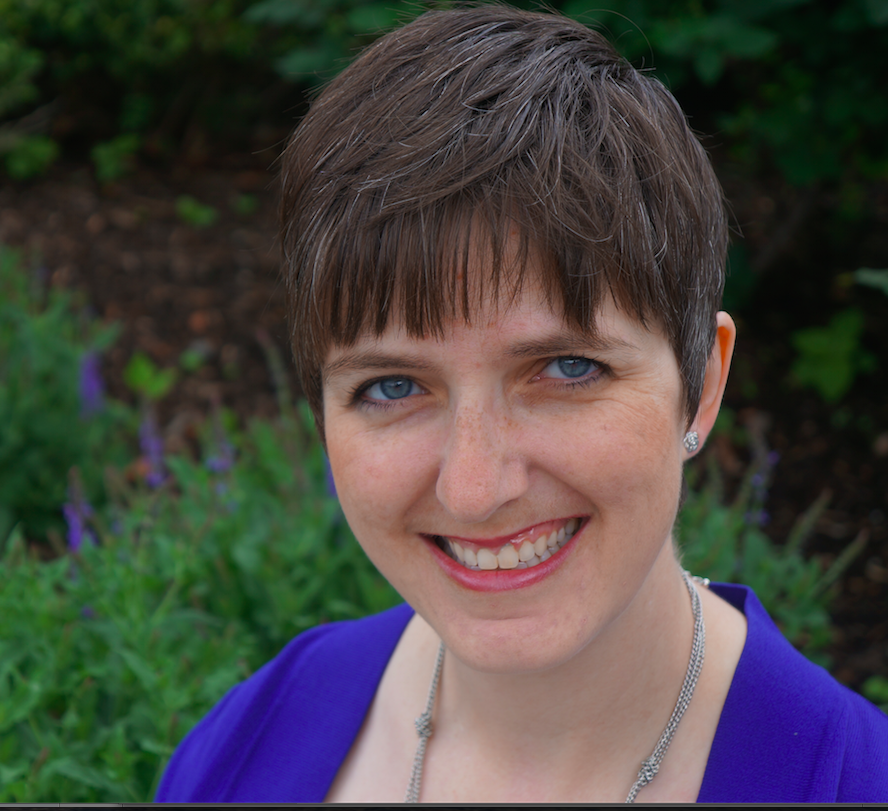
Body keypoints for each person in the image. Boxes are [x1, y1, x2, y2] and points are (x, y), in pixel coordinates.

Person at [155, 5, 888, 803]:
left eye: (567, 368)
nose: (475, 486)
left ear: (702, 386)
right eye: (393, 386)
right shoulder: (250, 745)